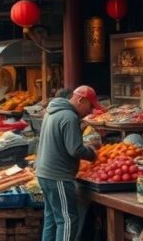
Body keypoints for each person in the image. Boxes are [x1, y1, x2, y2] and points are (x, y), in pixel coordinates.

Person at [38, 85, 102, 241]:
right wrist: (92, 154)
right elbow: (75, 150)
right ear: (81, 100)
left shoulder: (52, 111)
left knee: (51, 219)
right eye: (90, 106)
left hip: (44, 173)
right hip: (58, 176)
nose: (91, 111)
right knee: (67, 220)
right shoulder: (69, 116)